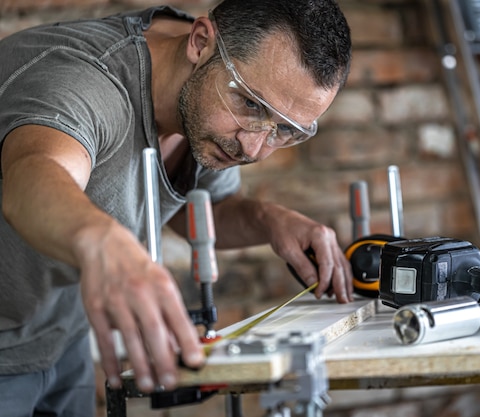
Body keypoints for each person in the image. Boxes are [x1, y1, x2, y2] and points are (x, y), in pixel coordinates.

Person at [0, 0, 352, 414]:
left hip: (61, 340)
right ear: (200, 42)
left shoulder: (210, 96)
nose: (254, 148)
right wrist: (101, 242)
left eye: (285, 130)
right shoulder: (83, 79)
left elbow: (201, 211)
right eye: (252, 106)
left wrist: (268, 220)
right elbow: (31, 177)